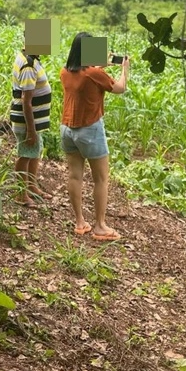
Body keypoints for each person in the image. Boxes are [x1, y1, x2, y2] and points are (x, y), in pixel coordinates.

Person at [59, 32, 129, 241]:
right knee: (101, 179)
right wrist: (125, 69)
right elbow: (120, 88)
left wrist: (101, 65)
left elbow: (86, 75)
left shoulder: (65, 72)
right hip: (89, 130)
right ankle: (100, 225)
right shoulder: (95, 74)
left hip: (67, 129)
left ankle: (80, 222)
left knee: (75, 176)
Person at [10, 44, 52, 207]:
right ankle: (21, 194)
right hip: (27, 121)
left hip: (34, 120)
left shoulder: (31, 59)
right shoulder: (28, 66)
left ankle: (31, 186)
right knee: (25, 155)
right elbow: (26, 102)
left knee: (35, 152)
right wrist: (31, 130)